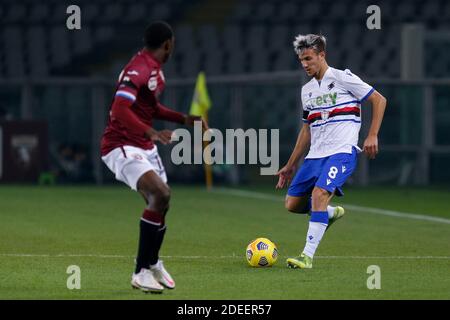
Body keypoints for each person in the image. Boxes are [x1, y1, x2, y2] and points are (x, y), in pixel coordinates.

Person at [100, 21, 207, 293]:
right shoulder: (139, 68)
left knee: (163, 199)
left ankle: (153, 261)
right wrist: (151, 132)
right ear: (168, 44)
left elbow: (150, 107)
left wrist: (183, 118)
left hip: (142, 145)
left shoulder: (155, 70)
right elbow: (120, 108)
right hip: (121, 145)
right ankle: (141, 272)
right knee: (159, 194)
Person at [276, 34, 387, 269]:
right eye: (301, 60)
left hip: (341, 151)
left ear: (321, 55)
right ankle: (328, 213)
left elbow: (379, 100)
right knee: (292, 204)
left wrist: (372, 134)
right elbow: (306, 130)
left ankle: (306, 257)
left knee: (318, 194)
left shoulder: (343, 78)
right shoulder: (307, 90)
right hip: (314, 156)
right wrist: (290, 163)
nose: (305, 64)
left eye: (308, 58)